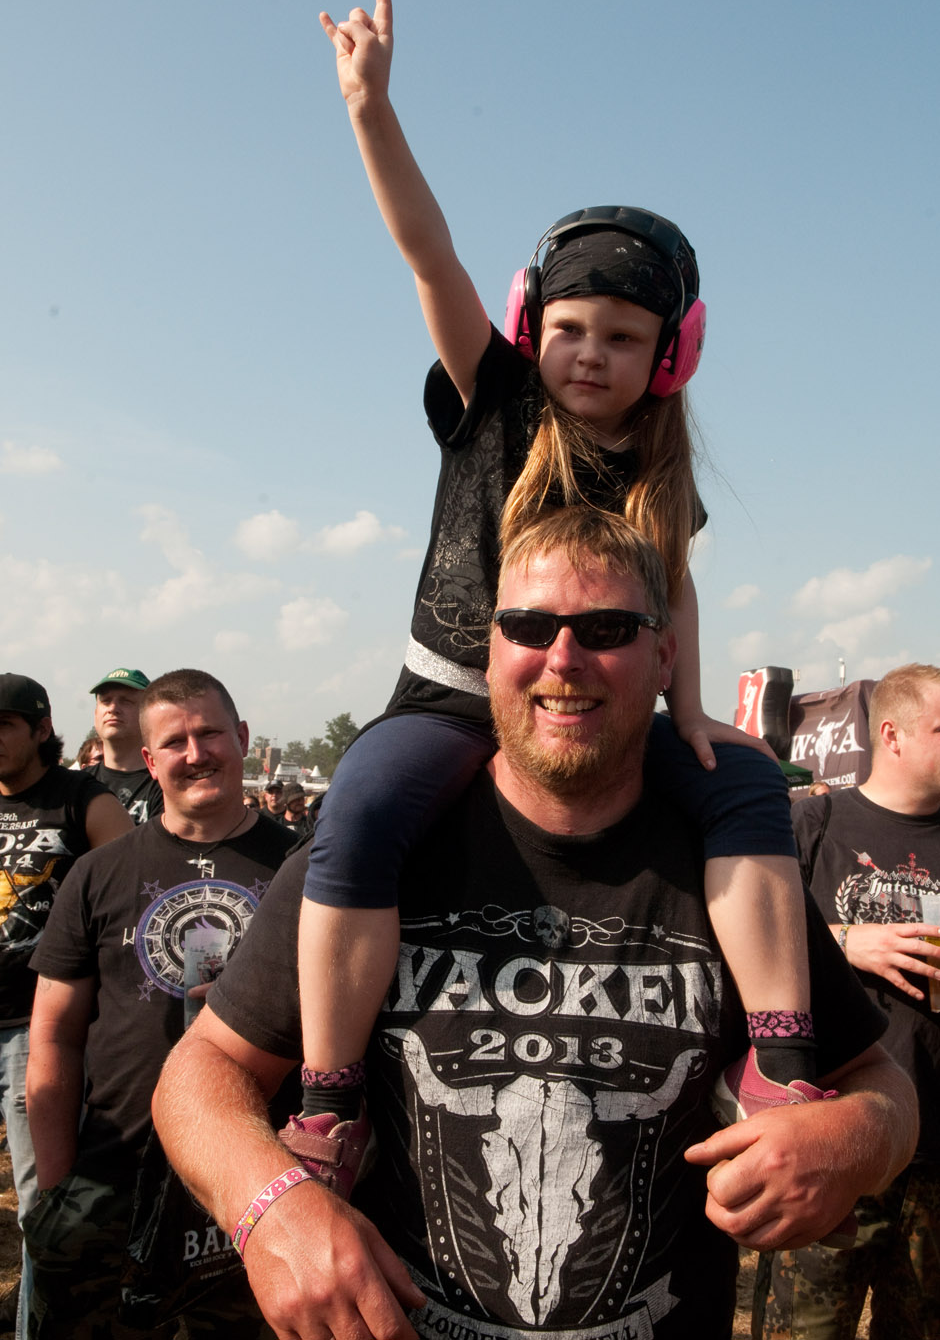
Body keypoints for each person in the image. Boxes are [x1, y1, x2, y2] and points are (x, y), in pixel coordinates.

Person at [153, 509, 917, 1340]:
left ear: (666, 655)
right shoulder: (373, 861)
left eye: (607, 627)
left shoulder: (736, 878)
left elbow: (884, 1085)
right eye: (529, 625)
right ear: (488, 651)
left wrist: (850, 1140)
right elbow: (201, 1070)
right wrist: (271, 1205)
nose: (563, 657)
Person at [294, 0, 817, 1153]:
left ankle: (778, 1057)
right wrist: (370, 107)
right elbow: (430, 255)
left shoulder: (657, 466)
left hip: (604, 702)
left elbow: (669, 586)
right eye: (571, 329)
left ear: (667, 356)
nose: (590, 354)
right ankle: (330, 1092)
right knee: (363, 804)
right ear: (536, 325)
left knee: (747, 789)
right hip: (450, 693)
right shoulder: (497, 398)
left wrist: (689, 709)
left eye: (622, 337)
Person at [24, 669, 296, 1339]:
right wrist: (58, 1185)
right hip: (115, 1173)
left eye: (210, 733)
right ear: (150, 760)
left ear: (242, 738)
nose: (196, 752)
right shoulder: (99, 871)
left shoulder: (306, 866)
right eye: (174, 741)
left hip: (258, 1182)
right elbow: (54, 1038)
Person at [754, 663, 940, 1339]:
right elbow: (745, 941)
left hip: (932, 1149)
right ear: (891, 733)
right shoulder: (814, 821)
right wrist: (847, 941)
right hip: (829, 1136)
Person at [0, 673, 132, 1338]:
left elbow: (138, 888)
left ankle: (39, 1328)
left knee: (40, 1200)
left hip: (36, 1026)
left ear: (41, 728)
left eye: (5, 725)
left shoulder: (83, 799)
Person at [86, 666, 163, 825]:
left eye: (126, 701)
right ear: (95, 714)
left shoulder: (167, 781)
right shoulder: (78, 785)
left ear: (148, 714)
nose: (113, 708)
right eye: (106, 701)